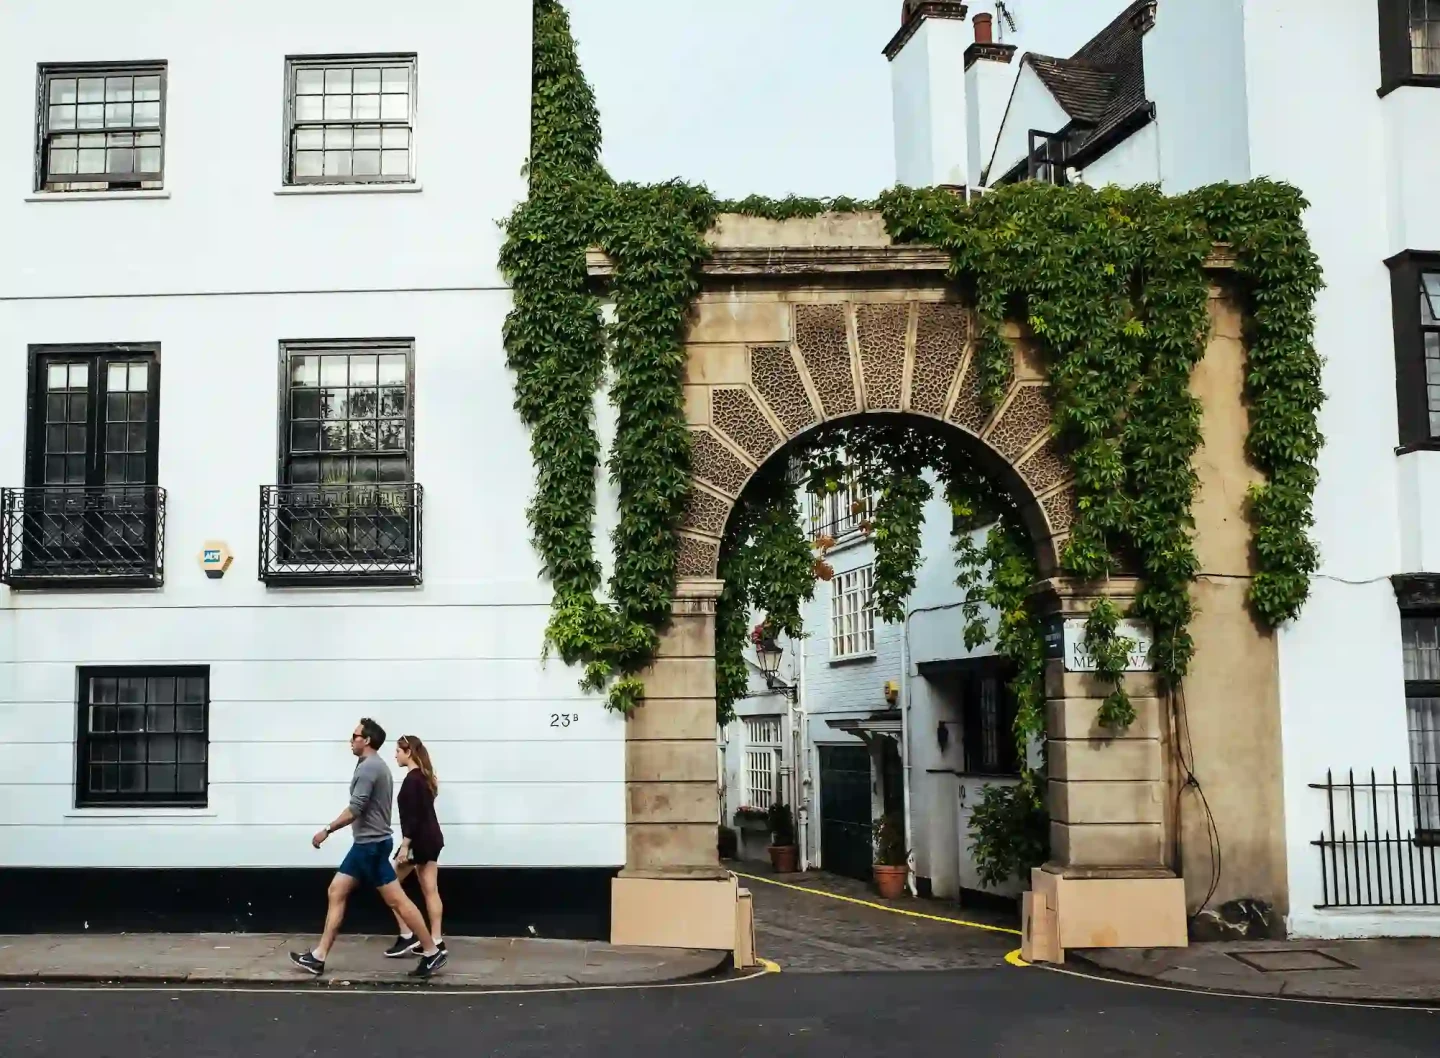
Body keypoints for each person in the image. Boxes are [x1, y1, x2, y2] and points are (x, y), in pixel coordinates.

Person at [289, 718, 448, 978]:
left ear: (368, 741)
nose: (351, 740)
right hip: (368, 843)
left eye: (355, 736)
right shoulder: (375, 766)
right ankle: (318, 957)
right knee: (337, 890)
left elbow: (356, 808)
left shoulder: (370, 768)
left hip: (370, 846)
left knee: (397, 899)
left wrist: (327, 830)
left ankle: (431, 952)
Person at [382, 734, 446, 957]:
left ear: (408, 752)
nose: (395, 755)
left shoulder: (412, 780)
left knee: (388, 884)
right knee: (431, 890)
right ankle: (436, 940)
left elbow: (413, 817)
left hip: (418, 841)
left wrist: (405, 846)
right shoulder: (425, 778)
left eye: (398, 751)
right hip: (432, 839)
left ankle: (407, 934)